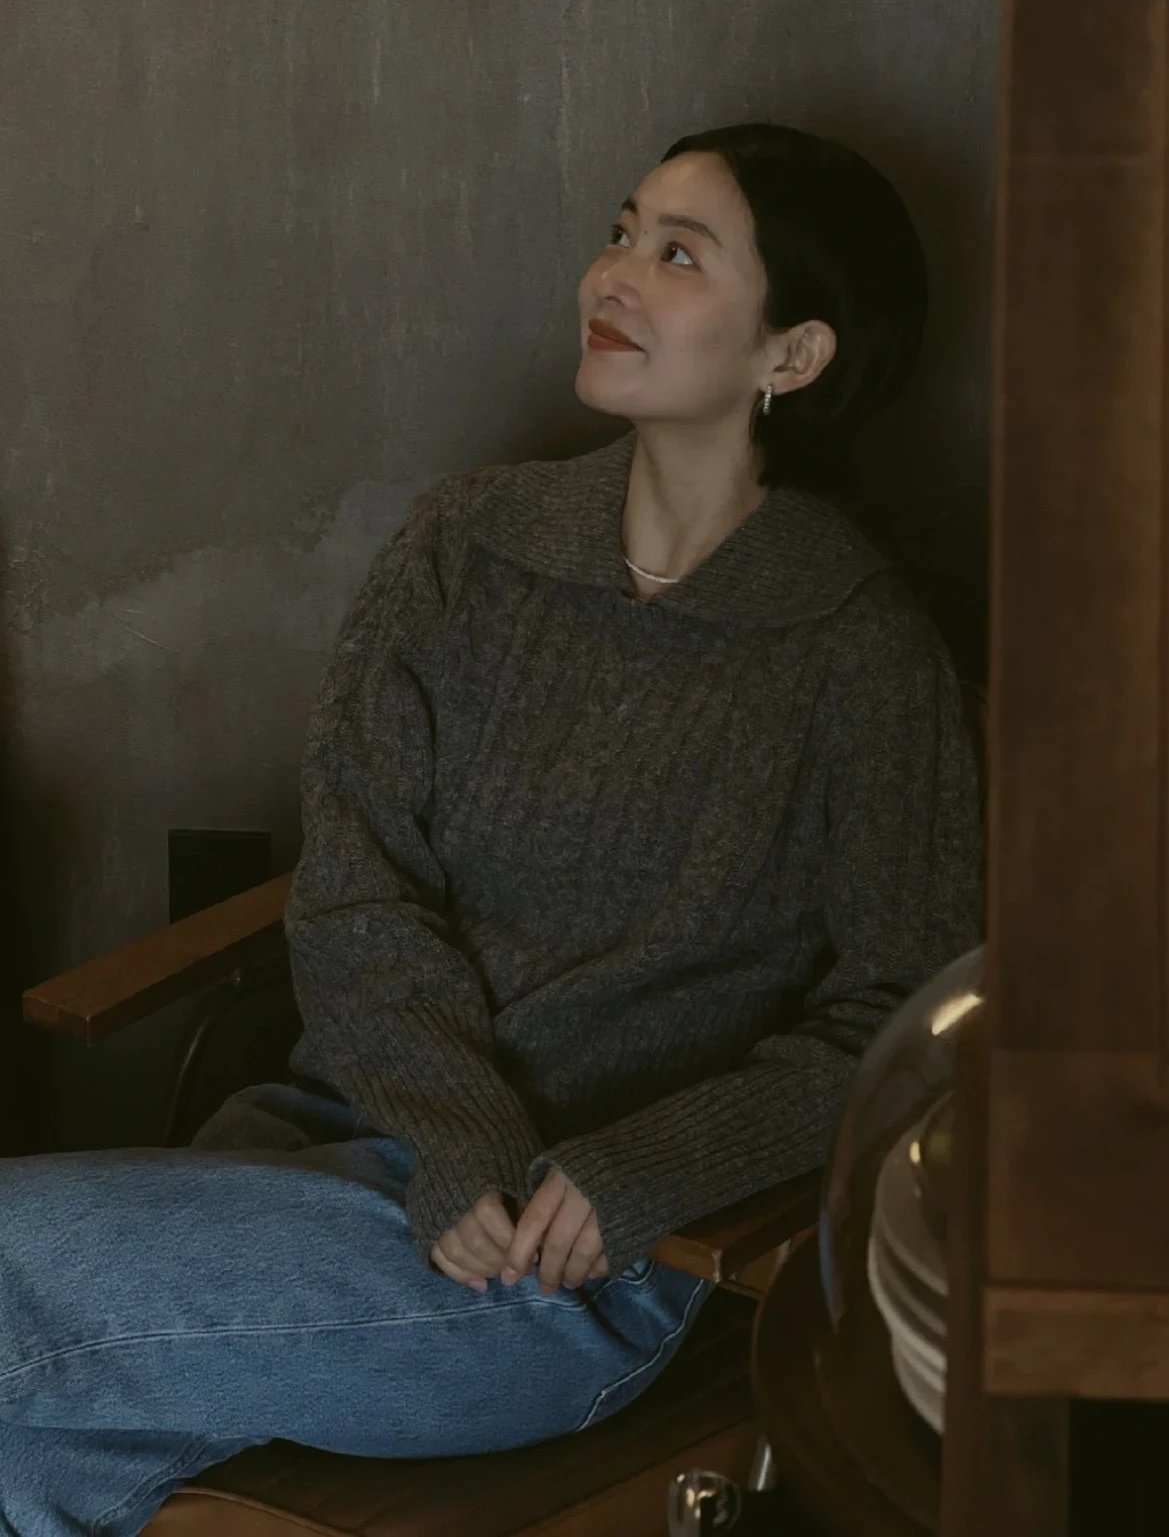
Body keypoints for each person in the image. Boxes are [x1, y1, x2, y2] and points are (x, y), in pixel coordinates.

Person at [0, 123, 982, 1535]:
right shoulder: (471, 544)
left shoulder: (860, 653)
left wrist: (647, 1169)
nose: (613, 274)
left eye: (679, 255)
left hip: (563, 1270)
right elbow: (353, 884)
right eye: (621, 229)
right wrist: (454, 1128)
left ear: (794, 353)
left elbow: (903, 1025)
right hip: (312, 1154)